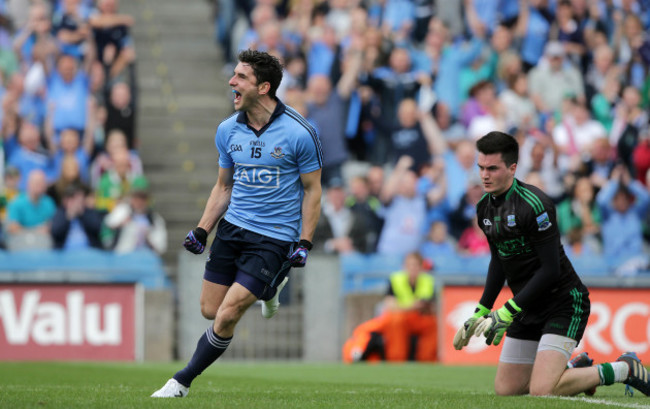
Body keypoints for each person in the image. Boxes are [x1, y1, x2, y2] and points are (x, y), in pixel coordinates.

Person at [151, 50, 323, 398]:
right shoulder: (227, 130)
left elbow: (313, 190)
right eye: (233, 75)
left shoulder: (300, 132)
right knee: (210, 310)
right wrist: (203, 229)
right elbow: (224, 186)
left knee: (227, 315)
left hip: (273, 237)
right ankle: (270, 289)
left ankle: (181, 381)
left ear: (263, 87)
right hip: (233, 228)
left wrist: (304, 242)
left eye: (240, 77)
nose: (232, 82)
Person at [453, 131, 650, 397]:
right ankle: (574, 368)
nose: (484, 175)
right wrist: (480, 311)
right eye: (481, 168)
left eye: (492, 168)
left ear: (512, 168)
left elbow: (550, 269)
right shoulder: (484, 208)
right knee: (506, 389)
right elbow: (499, 261)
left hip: (563, 303)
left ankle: (624, 368)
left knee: (542, 390)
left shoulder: (535, 205)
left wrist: (507, 310)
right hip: (526, 306)